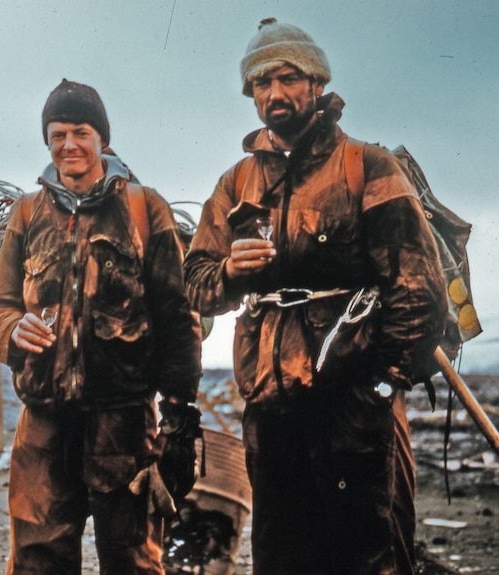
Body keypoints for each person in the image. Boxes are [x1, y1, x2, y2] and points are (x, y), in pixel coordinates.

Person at [183, 18, 448, 575]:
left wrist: (380, 386)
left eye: (287, 78)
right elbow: (195, 283)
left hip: (354, 406)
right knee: (281, 558)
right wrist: (230, 272)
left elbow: (419, 293)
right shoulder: (237, 184)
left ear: (317, 84)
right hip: (270, 409)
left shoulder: (367, 167)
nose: (274, 94)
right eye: (261, 84)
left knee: (368, 556)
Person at [0, 79, 202, 575]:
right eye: (57, 134)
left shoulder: (145, 209)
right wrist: (11, 329)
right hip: (43, 423)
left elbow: (177, 314)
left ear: (102, 138)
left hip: (123, 425)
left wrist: (180, 415)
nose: (68, 145)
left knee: (131, 560)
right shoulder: (25, 213)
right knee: (38, 560)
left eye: (80, 131)